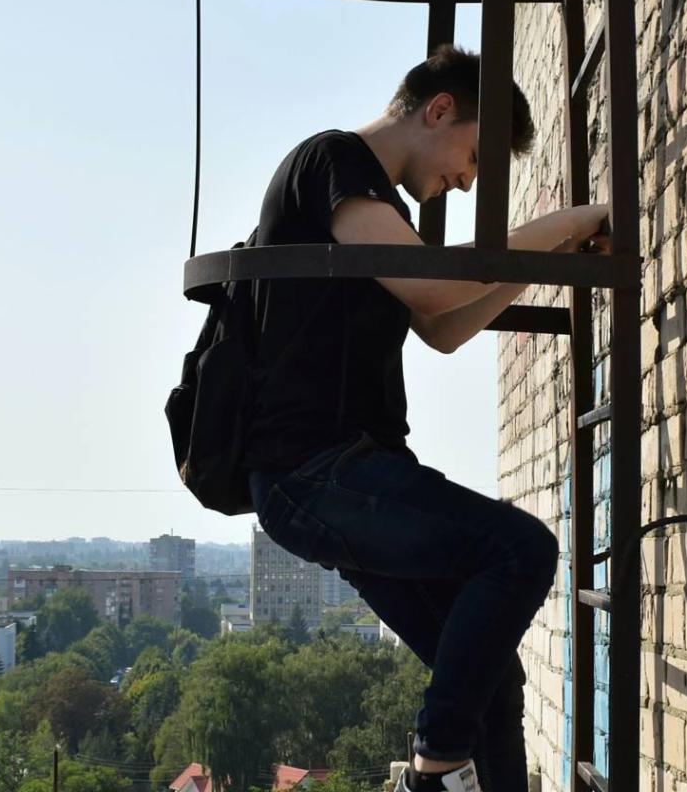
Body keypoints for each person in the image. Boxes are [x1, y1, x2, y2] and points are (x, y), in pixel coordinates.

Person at [243, 44, 610, 792]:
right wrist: (562, 223)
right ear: (439, 110)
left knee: (492, 679)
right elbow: (438, 290)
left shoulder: (385, 213)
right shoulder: (331, 163)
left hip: (352, 475)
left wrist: (548, 254)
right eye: (473, 155)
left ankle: (451, 760)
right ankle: (436, 768)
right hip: (313, 471)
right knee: (519, 551)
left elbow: (441, 327)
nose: (468, 179)